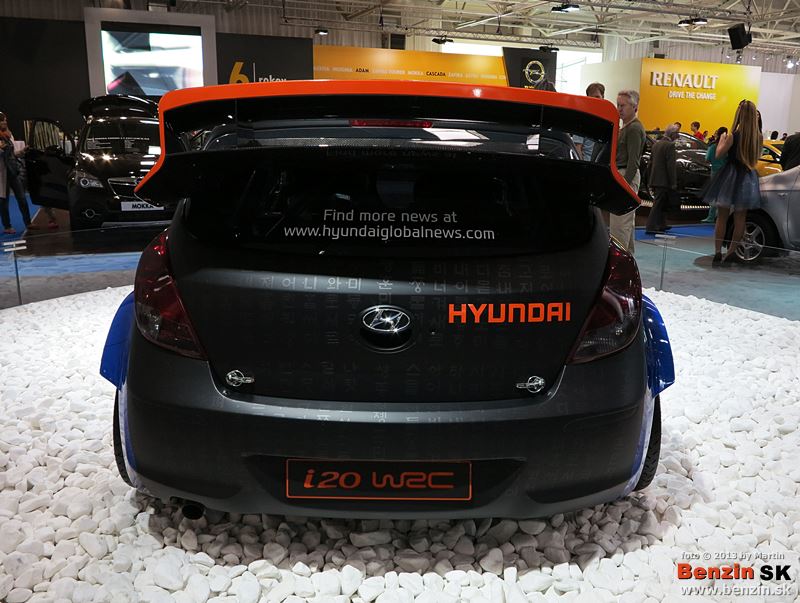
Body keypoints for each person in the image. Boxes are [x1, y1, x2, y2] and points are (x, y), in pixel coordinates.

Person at [703, 100, 762, 267]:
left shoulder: (731, 136)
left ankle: (717, 252)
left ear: (739, 115)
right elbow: (755, 158)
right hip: (747, 177)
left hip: (729, 176)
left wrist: (722, 140)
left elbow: (719, 154)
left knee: (721, 217)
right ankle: (731, 253)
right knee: (740, 218)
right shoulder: (758, 137)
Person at [610, 90, 646, 252]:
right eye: (618, 105)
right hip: (624, 175)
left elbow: (633, 161)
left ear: (634, 107)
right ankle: (626, 256)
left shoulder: (634, 128)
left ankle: (620, 258)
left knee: (620, 224)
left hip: (626, 175)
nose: (619, 109)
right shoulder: (627, 127)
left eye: (623, 105)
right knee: (625, 223)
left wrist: (623, 185)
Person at [0, 112, 32, 235]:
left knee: (22, 198)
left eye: (5, 120)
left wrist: (22, 151)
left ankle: (28, 222)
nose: (5, 122)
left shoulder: (8, 135)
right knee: (3, 202)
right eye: (2, 120)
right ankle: (7, 226)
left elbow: (13, 154)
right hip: (2, 173)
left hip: (13, 171)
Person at [645, 123, 679, 234]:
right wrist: (673, 183)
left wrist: (649, 179)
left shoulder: (656, 144)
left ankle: (661, 224)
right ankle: (651, 226)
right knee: (658, 203)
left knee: (661, 202)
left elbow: (650, 163)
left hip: (655, 178)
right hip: (664, 180)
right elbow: (671, 166)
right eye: (677, 133)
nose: (677, 136)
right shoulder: (670, 146)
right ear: (672, 134)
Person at [701, 126, 728, 224]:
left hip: (715, 172)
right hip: (726, 172)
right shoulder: (727, 146)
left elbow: (707, 159)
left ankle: (711, 216)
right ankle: (720, 216)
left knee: (714, 195)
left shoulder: (712, 146)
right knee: (724, 195)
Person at [573, 82, 605, 161]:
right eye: (592, 97)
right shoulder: (582, 120)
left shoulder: (606, 120)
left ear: (603, 97)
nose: (595, 100)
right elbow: (577, 147)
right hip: (588, 163)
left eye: (597, 97)